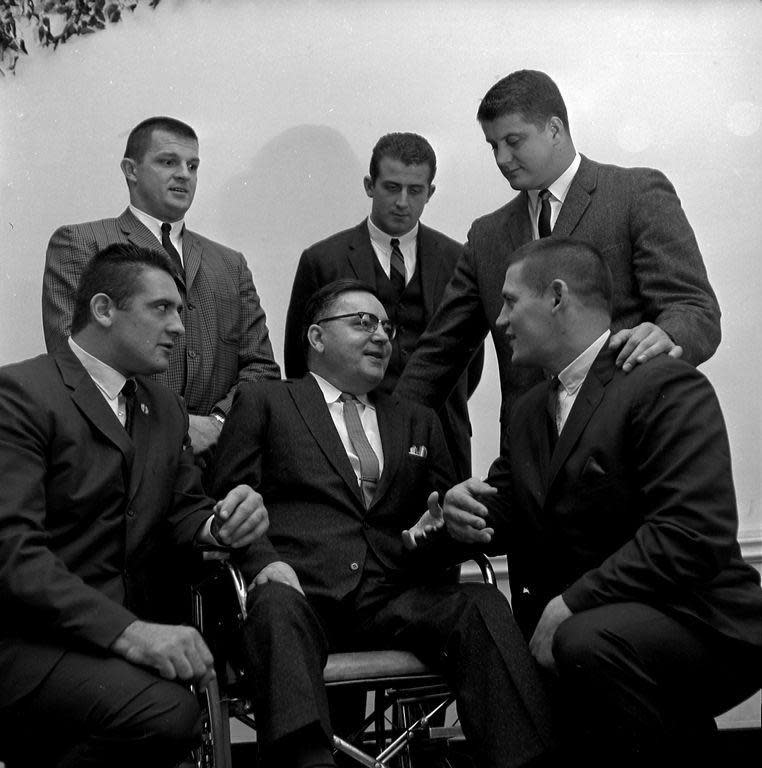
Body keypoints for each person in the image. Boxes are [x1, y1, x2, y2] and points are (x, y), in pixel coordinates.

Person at [437, 238, 762, 767]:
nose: (500, 320)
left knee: (582, 642)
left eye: (511, 301)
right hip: (601, 628)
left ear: (558, 297)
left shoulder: (663, 385)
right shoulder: (526, 411)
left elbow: (689, 535)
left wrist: (571, 603)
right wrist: (451, 515)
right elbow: (510, 508)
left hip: (700, 620)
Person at [212, 279, 554, 768]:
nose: (381, 336)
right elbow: (232, 501)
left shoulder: (417, 419)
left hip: (394, 594)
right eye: (362, 323)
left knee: (480, 604)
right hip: (301, 589)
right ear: (316, 337)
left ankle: (524, 760)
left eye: (387, 327)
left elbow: (439, 519)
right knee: (272, 607)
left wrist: (437, 530)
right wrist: (264, 563)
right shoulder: (267, 403)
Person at [0, 243, 268, 768]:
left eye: (180, 312)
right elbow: (13, 553)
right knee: (165, 713)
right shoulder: (22, 393)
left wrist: (221, 525)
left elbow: (182, 510)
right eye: (161, 309)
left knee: (173, 706)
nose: (179, 328)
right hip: (28, 642)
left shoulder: (163, 407)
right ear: (103, 310)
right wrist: (130, 634)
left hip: (105, 647)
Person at [396, 70, 721, 454]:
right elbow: (439, 354)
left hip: (627, 450)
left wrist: (668, 334)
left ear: (554, 129)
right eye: (493, 146)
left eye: (513, 141)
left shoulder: (636, 194)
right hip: (526, 467)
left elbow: (694, 309)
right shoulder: (486, 237)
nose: (502, 158)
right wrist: (383, 432)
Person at [42, 115, 281, 466]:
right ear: (131, 170)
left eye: (193, 165)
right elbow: (74, 358)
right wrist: (177, 424)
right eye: (168, 161)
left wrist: (217, 423)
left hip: (218, 466)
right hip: (121, 458)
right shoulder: (82, 243)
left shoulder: (230, 265)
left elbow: (261, 368)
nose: (184, 173)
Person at [284, 132, 483, 479]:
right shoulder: (323, 260)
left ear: (430, 193)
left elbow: (469, 360)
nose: (403, 202)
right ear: (369, 185)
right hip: (348, 444)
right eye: (392, 187)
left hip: (442, 441)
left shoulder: (459, 260)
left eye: (415, 190)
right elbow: (300, 360)